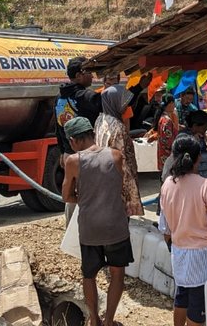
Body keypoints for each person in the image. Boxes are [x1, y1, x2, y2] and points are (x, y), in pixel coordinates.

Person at [62, 117, 132, 326]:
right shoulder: (116, 156)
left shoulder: (73, 161)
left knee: (89, 275)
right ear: (92, 134)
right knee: (117, 274)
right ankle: (109, 320)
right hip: (116, 226)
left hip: (90, 227)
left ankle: (94, 320)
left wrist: (82, 199)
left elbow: (66, 196)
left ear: (74, 140)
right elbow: (122, 188)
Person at [159, 135, 207, 326]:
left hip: (180, 255)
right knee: (198, 310)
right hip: (204, 260)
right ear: (198, 157)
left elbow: (165, 229)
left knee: (182, 296)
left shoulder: (167, 185)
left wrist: (175, 244)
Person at [55, 57, 102, 225]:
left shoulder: (59, 98)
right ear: (79, 75)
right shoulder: (85, 96)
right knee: (88, 193)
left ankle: (71, 230)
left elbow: (58, 128)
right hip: (84, 155)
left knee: (71, 195)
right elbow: (110, 103)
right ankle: (85, 231)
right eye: (89, 72)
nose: (92, 77)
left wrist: (63, 151)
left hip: (69, 153)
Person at [94, 85, 144, 217]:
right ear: (113, 101)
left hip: (104, 176)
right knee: (120, 217)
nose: (124, 107)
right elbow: (123, 161)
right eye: (122, 103)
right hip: (118, 181)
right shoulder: (118, 128)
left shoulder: (101, 120)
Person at [154, 93, 178, 171]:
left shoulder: (163, 118)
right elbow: (167, 140)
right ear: (171, 103)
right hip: (168, 155)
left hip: (163, 153)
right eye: (173, 103)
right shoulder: (166, 121)